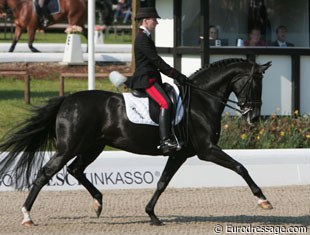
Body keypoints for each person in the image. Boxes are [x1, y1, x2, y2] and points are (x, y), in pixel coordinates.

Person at [125, 7, 188, 155]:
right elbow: (156, 61)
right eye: (154, 20)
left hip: (152, 78)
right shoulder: (142, 38)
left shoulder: (145, 37)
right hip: (146, 80)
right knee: (165, 103)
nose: (157, 23)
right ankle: (165, 140)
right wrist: (177, 75)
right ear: (146, 21)